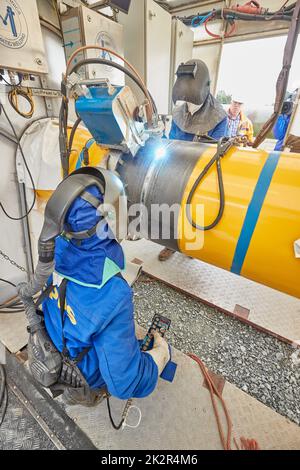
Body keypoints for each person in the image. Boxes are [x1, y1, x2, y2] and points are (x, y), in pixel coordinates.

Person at [41, 185, 170, 406]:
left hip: (52, 353)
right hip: (84, 379)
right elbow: (125, 384)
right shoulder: (114, 294)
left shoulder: (51, 251)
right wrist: (159, 356)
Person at [159, 59, 227, 262]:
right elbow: (172, 139)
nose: (188, 105)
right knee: (170, 206)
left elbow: (217, 150)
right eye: (185, 101)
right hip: (177, 167)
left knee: (194, 209)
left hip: (200, 171)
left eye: (192, 101)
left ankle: (190, 246)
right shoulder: (180, 110)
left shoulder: (218, 117)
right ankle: (170, 243)